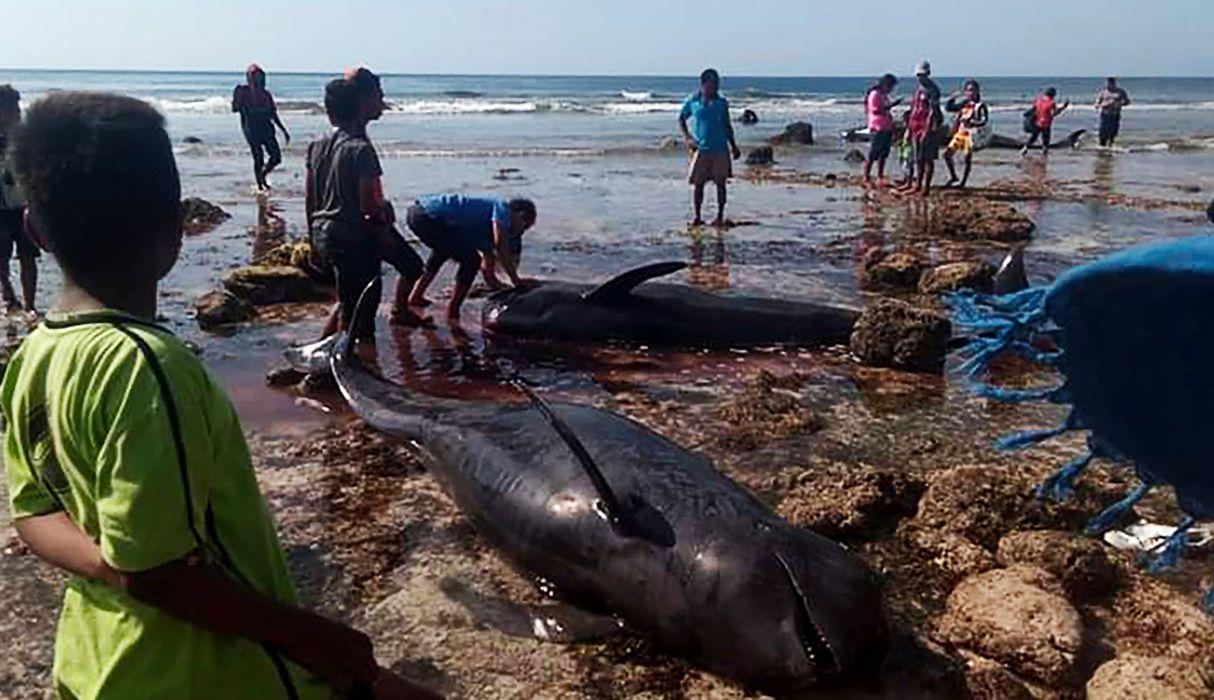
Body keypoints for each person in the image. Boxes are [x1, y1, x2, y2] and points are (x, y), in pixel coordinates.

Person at [2, 92, 440, 700]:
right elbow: (162, 573)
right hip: (205, 670)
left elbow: (33, 518)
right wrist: (309, 634)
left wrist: (118, 566)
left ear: (35, 231)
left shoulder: (32, 357)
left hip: (96, 661)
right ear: (176, 230)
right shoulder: (145, 368)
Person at [307, 69, 429, 346]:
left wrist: (312, 241)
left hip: (325, 231)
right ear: (362, 100)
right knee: (359, 313)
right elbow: (369, 207)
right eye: (379, 96)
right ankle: (330, 370)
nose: (384, 102)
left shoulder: (318, 144)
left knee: (350, 299)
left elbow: (310, 198)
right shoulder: (361, 148)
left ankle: (317, 355)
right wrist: (384, 222)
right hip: (355, 235)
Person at [405, 194, 537, 322]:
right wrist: (516, 280)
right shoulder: (502, 208)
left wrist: (505, 288)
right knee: (471, 261)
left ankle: (416, 297)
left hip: (419, 214)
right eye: (524, 227)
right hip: (428, 216)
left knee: (442, 251)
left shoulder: (481, 229)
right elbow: (500, 246)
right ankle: (453, 311)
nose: (520, 233)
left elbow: (489, 274)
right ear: (520, 215)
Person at [678, 69, 741, 227]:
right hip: (701, 149)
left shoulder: (721, 103)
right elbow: (681, 119)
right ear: (704, 84)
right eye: (713, 83)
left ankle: (719, 216)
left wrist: (733, 146)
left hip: (720, 149)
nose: (715, 87)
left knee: (721, 183)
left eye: (717, 84)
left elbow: (727, 125)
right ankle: (698, 216)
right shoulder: (693, 102)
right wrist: (688, 138)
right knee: (698, 184)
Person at [0, 84, 37, 315]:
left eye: (16, 106)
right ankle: (9, 294)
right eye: (10, 107)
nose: (16, 111)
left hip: (23, 204)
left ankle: (30, 304)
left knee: (28, 255)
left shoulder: (26, 136)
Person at [232, 63, 290, 191]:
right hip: (250, 128)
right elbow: (235, 108)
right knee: (258, 157)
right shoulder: (242, 91)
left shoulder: (266, 94)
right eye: (252, 76)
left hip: (266, 128)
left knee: (276, 157)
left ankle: (263, 175)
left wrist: (284, 130)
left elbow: (273, 114)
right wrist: (238, 98)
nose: (255, 78)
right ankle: (260, 185)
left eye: (258, 76)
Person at [895, 60, 943, 196]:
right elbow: (914, 109)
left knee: (927, 159)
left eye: (923, 74)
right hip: (915, 127)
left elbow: (932, 112)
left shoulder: (933, 89)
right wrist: (909, 128)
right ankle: (917, 185)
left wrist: (927, 131)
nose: (921, 77)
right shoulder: (919, 89)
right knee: (918, 158)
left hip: (927, 128)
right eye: (919, 75)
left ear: (928, 74)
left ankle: (925, 188)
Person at [943, 80, 990, 189]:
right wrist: (952, 98)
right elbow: (949, 108)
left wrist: (973, 122)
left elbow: (984, 120)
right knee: (946, 155)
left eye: (972, 90)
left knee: (966, 159)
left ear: (977, 91)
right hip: (960, 133)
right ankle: (954, 176)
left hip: (970, 135)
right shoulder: (964, 103)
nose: (970, 93)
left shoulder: (980, 105)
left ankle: (963, 182)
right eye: (968, 90)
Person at [863, 74, 901, 186]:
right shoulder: (874, 94)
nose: (891, 90)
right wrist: (890, 106)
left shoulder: (883, 95)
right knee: (873, 153)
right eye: (890, 87)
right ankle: (866, 176)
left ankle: (880, 175)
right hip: (877, 126)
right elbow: (875, 110)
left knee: (883, 153)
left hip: (886, 126)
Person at [1022, 87, 1069, 156]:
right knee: (1046, 140)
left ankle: (1025, 148)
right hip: (1046, 124)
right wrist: (1063, 108)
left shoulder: (1039, 101)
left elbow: (1033, 110)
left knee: (1034, 137)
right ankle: (1044, 154)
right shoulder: (1051, 103)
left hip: (1037, 122)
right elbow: (1053, 113)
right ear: (1052, 95)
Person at [1095, 77, 1131, 148]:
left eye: (1111, 83)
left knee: (1113, 132)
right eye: (1108, 83)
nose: (1109, 84)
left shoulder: (1120, 92)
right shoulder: (1103, 92)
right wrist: (1102, 105)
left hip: (1115, 114)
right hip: (1105, 115)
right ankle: (1102, 146)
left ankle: (1111, 146)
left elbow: (1127, 101)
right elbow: (1097, 104)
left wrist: (1119, 103)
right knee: (1103, 132)